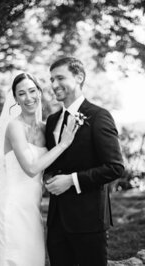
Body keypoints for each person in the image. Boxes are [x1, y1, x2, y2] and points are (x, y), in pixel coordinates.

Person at [0, 72, 78, 266]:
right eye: (22, 94)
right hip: (11, 207)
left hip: (32, 208)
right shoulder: (14, 127)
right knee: (12, 259)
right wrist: (63, 144)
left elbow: (49, 166)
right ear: (16, 99)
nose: (29, 98)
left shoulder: (46, 129)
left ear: (39, 92)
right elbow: (31, 168)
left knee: (33, 259)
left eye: (32, 91)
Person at [44, 57, 124, 266]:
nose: (53, 85)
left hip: (88, 221)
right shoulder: (52, 120)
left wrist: (71, 180)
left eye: (60, 78)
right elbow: (54, 163)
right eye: (51, 79)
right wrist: (49, 176)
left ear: (79, 77)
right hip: (56, 220)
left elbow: (115, 167)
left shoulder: (98, 116)